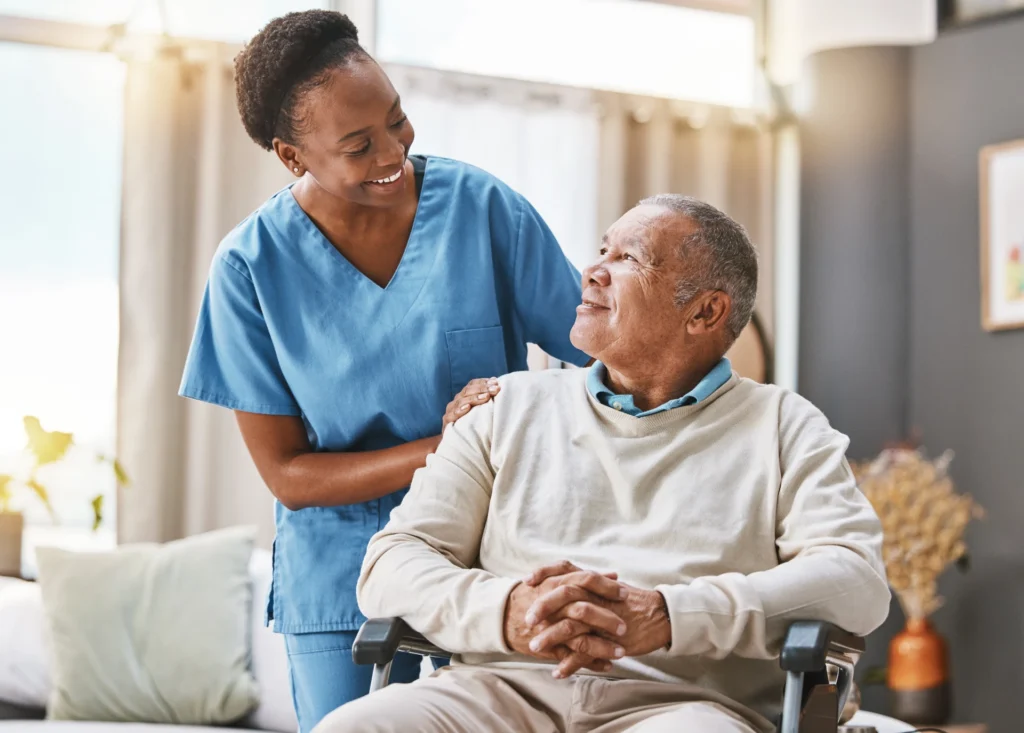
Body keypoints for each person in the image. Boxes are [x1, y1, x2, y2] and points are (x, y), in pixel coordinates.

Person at [318, 195, 891, 733]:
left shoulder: (785, 425)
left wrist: (671, 614)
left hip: (681, 707)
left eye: (629, 259)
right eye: (602, 252)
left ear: (705, 311)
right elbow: (390, 564)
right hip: (497, 691)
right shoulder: (504, 407)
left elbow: (856, 580)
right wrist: (509, 610)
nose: (593, 272)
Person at [178, 9, 589, 731]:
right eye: (359, 144)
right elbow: (288, 475)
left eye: (397, 120)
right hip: (342, 572)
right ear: (292, 155)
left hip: (494, 557)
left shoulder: (482, 209)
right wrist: (451, 446)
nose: (393, 150)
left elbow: (602, 356)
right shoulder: (249, 269)